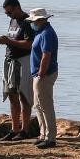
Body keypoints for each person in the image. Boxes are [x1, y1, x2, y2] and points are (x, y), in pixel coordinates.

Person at [0, 0, 35, 141]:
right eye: (6, 13)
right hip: (10, 59)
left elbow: (30, 44)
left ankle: (24, 129)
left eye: (10, 12)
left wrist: (9, 41)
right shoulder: (13, 20)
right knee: (12, 95)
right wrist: (5, 41)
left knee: (24, 94)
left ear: (17, 7)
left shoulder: (28, 21)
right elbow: (14, 39)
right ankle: (14, 129)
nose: (8, 15)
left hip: (22, 60)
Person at [26, 8, 59, 149]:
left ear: (40, 20)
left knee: (46, 105)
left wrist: (41, 73)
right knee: (38, 105)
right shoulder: (41, 32)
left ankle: (50, 138)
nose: (31, 23)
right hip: (39, 73)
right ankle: (43, 134)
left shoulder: (46, 33)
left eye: (33, 21)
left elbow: (46, 55)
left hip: (44, 74)